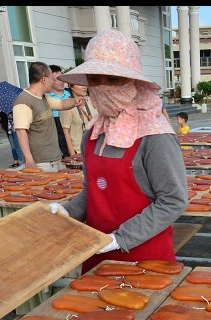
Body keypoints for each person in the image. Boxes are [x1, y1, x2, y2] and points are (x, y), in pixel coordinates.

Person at [50, 29, 188, 273]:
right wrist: (68, 212)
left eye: (112, 80)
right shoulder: (93, 134)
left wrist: (120, 238)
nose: (102, 88)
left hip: (146, 257)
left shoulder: (155, 136)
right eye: (95, 79)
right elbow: (92, 191)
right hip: (96, 255)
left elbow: (173, 200)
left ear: (132, 83)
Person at [12, 62, 77, 172]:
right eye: (51, 78)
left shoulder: (43, 97)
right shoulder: (24, 101)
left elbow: (62, 104)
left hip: (54, 159)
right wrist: (29, 160)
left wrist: (76, 100)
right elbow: (20, 131)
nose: (53, 82)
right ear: (44, 79)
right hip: (41, 163)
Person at [60, 82, 96, 157]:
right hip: (78, 151)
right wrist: (72, 154)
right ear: (71, 86)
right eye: (80, 84)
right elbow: (65, 131)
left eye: (85, 84)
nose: (84, 87)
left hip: (94, 149)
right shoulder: (67, 104)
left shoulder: (92, 100)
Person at [47, 65, 72, 158]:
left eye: (62, 78)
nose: (62, 82)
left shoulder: (69, 93)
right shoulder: (47, 97)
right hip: (55, 124)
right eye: (57, 79)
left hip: (69, 124)